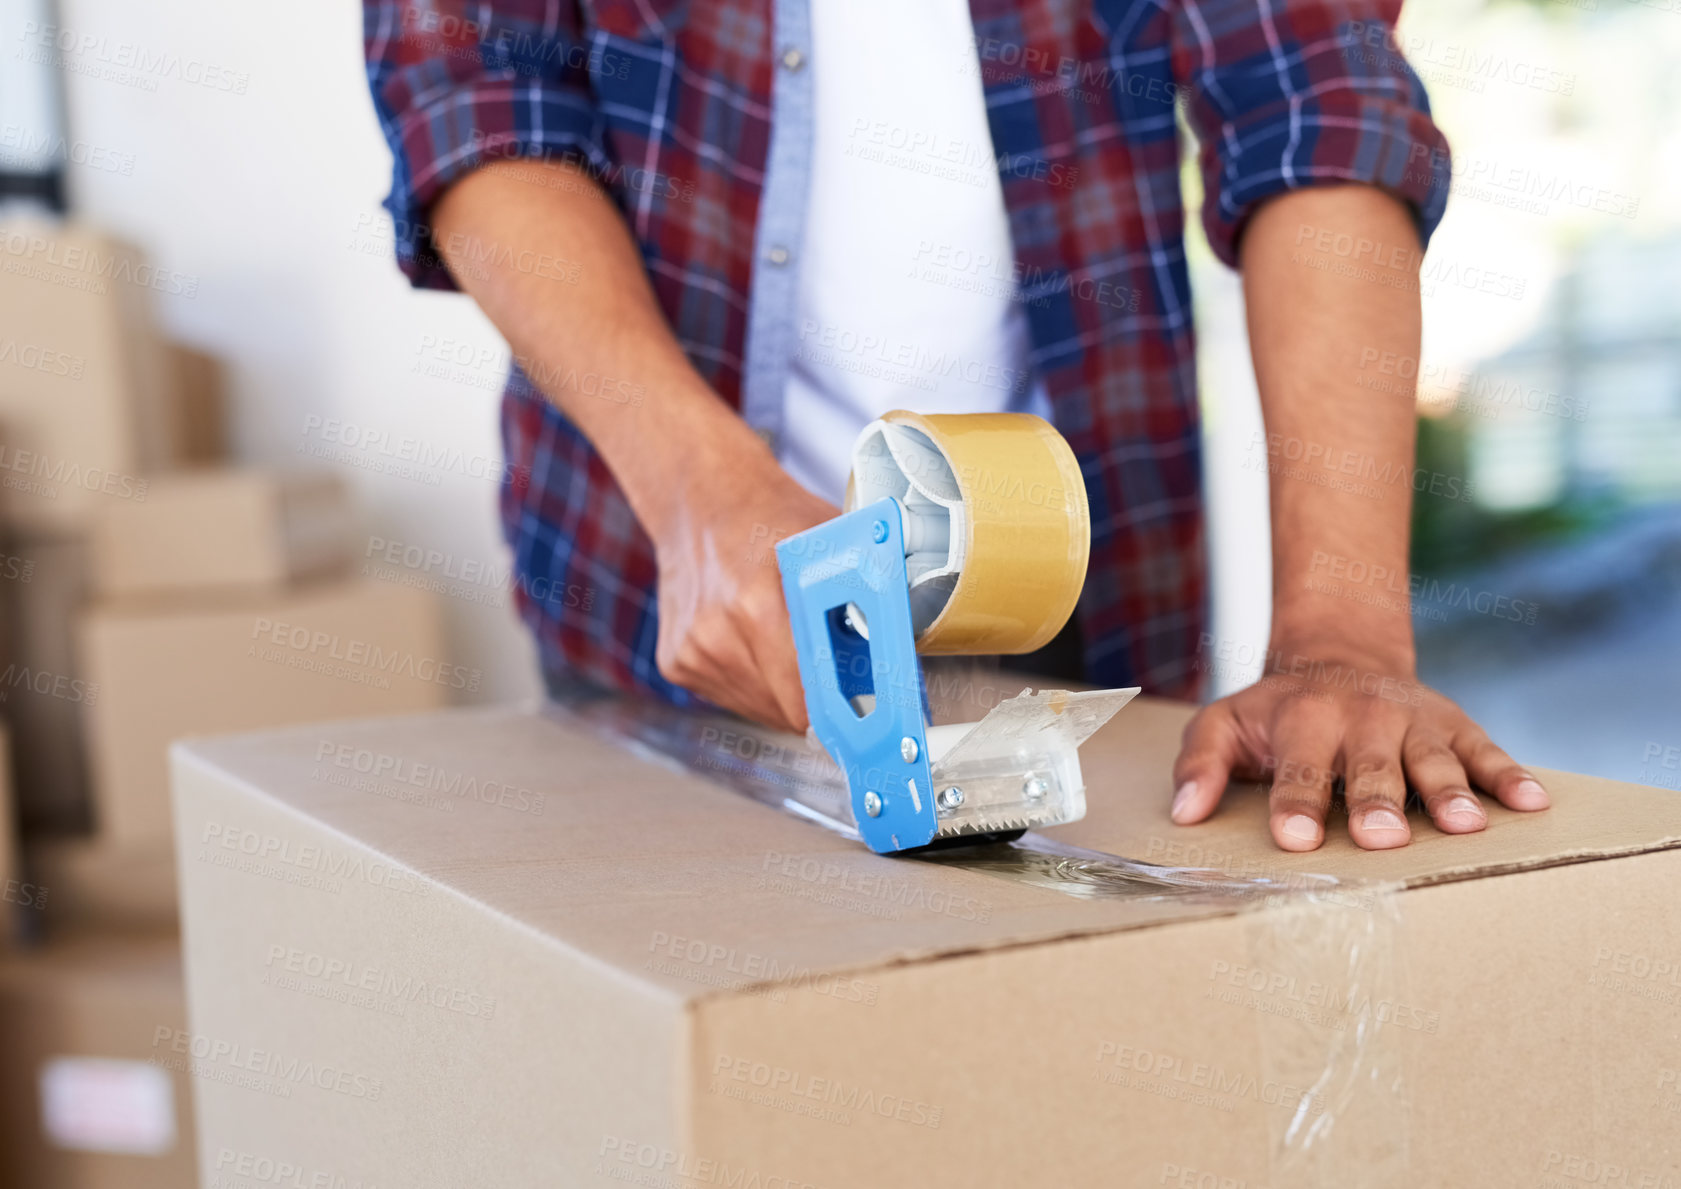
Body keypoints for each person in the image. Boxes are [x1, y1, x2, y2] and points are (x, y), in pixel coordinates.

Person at [362, 0, 1551, 852]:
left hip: (1075, 607)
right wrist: (698, 495)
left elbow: (1312, 99)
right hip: (662, 582)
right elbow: (477, 99)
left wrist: (1339, 638)